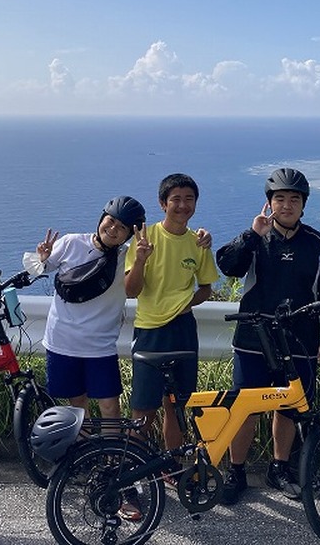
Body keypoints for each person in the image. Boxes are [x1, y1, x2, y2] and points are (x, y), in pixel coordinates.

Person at [214, 168, 320, 505]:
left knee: (287, 407)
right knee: (245, 408)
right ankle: (236, 471)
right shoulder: (257, 237)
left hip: (299, 340)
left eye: (294, 200)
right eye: (280, 199)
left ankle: (279, 467)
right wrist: (251, 235)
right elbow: (228, 266)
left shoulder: (317, 244)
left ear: (303, 205)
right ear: (269, 203)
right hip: (253, 339)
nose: (287, 205)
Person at [22, 195, 146, 420]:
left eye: (122, 227)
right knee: (77, 406)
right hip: (62, 341)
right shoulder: (72, 242)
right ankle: (85, 444)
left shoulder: (127, 255)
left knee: (110, 406)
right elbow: (40, 269)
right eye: (110, 221)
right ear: (102, 218)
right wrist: (42, 257)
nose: (113, 229)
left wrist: (140, 261)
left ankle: (111, 445)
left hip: (100, 345)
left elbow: (133, 291)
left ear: (129, 234)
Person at [125, 173, 217, 454]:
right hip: (150, 330)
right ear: (162, 203)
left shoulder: (198, 242)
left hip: (183, 329)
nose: (183, 205)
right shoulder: (145, 237)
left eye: (189, 199)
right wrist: (140, 260)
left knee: (176, 406)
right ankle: (133, 466)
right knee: (143, 409)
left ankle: (171, 467)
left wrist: (186, 304)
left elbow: (206, 288)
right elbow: (131, 291)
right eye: (176, 199)